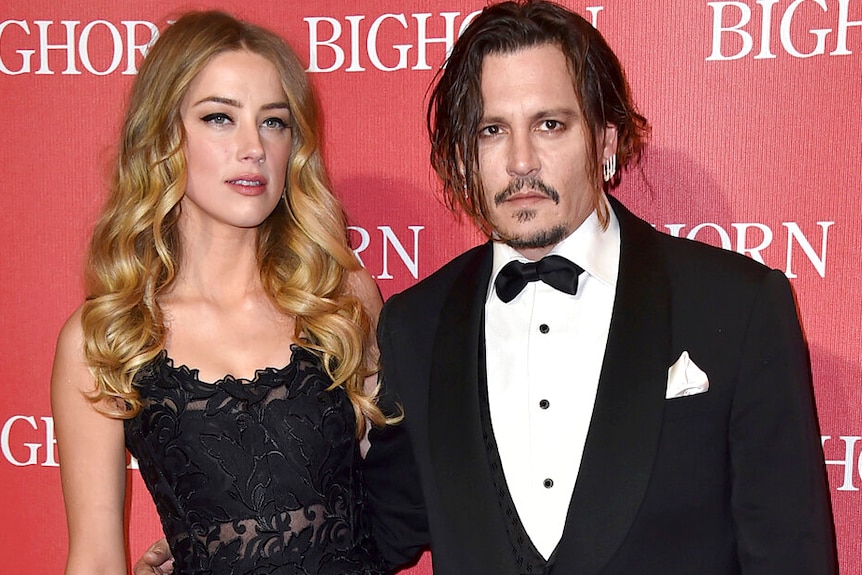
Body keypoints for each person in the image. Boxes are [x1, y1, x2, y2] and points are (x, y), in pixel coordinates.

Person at [361, 1, 838, 574]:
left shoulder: (738, 307)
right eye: (492, 130)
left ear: (605, 140)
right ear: (463, 157)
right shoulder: (416, 324)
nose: (520, 161)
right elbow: (373, 535)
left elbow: (790, 555)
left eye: (550, 125)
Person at [51, 10, 392, 575]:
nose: (253, 147)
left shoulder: (341, 297)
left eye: (274, 122)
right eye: (219, 118)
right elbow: (94, 557)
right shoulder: (106, 339)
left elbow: (397, 497)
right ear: (164, 137)